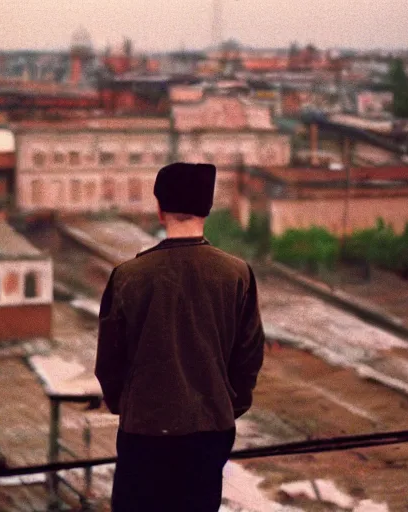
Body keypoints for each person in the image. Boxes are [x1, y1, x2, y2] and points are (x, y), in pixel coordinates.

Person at [95, 162, 265, 512]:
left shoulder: (128, 276)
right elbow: (249, 357)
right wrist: (225, 407)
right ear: (207, 209)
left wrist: (127, 407)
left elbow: (108, 363)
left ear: (160, 210)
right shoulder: (237, 275)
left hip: (144, 432)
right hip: (209, 433)